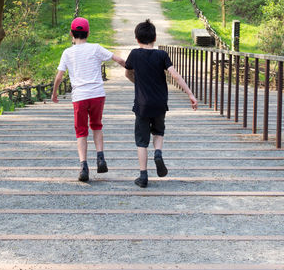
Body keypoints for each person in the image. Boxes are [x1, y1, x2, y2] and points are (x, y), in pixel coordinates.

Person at [125, 19, 198, 188]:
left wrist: (136, 81)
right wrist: (190, 94)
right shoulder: (162, 55)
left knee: (142, 140)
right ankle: (158, 153)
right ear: (155, 38)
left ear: (136, 39)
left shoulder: (134, 54)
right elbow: (175, 75)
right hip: (159, 103)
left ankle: (143, 176)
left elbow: (128, 72)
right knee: (158, 131)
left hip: (142, 105)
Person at [52, 17, 126, 182]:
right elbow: (119, 60)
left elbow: (59, 76)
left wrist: (54, 93)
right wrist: (135, 70)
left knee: (81, 131)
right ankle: (100, 157)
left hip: (80, 97)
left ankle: (83, 166)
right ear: (88, 33)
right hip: (97, 94)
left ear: (71, 33)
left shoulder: (67, 52)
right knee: (97, 126)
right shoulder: (95, 48)